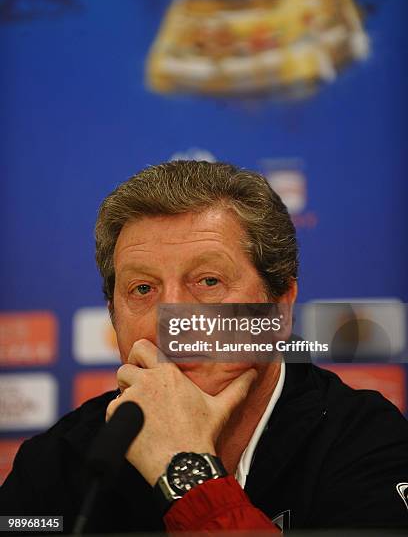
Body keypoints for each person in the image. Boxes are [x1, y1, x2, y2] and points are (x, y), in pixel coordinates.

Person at [1, 160, 407, 534]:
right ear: (113, 315)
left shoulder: (366, 440)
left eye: (208, 282)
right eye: (142, 289)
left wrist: (185, 472)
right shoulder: (61, 461)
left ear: (280, 306)